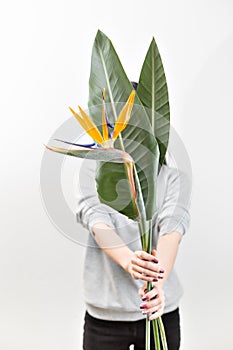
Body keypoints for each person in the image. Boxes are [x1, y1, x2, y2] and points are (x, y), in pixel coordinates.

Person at [76, 86, 191, 350]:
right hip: (105, 315)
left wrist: (156, 286)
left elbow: (172, 232)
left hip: (158, 310)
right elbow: (97, 222)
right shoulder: (91, 172)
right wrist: (130, 262)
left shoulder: (173, 177)